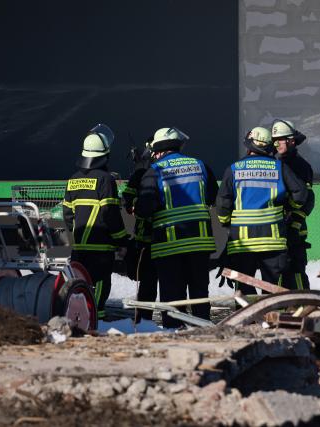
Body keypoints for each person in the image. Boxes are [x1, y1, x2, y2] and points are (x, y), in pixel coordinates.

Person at [135, 127, 218, 328]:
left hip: (169, 245)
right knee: (199, 293)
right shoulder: (200, 165)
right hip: (199, 244)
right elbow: (213, 197)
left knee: (173, 297)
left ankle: (174, 331)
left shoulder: (154, 171)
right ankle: (204, 331)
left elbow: (144, 209)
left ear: (159, 149)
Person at [216, 127, 308, 293]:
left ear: (249, 146)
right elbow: (301, 193)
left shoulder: (234, 169)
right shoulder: (279, 167)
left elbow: (223, 203)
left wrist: (225, 221)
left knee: (244, 289)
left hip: (242, 244)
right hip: (273, 241)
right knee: (273, 290)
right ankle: (271, 318)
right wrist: (289, 210)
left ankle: (248, 319)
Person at [63, 124, 129, 320]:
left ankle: (82, 317)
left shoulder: (73, 180)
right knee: (100, 283)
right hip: (100, 246)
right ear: (104, 154)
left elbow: (67, 215)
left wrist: (78, 235)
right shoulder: (105, 180)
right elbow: (110, 213)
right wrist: (121, 239)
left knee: (81, 282)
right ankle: (97, 320)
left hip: (79, 246)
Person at [271, 119, 315, 290]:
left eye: (279, 140)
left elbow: (307, 199)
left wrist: (295, 224)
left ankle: (303, 308)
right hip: (277, 228)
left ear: (291, 140)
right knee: (277, 271)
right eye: (274, 140)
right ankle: (280, 311)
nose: (276, 144)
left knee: (296, 270)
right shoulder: (275, 164)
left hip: (294, 229)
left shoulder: (300, 166)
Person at [121, 140, 157, 323]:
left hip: (148, 239)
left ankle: (144, 319)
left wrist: (134, 207)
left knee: (148, 283)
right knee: (163, 282)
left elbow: (127, 200)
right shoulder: (158, 173)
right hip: (162, 237)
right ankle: (154, 319)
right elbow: (127, 199)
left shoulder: (140, 175)